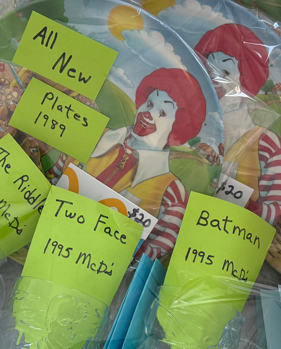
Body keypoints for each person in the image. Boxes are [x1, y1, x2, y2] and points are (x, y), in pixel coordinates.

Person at [85, 68, 207, 259]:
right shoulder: (94, 137)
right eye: (149, 104)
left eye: (162, 113)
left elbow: (159, 246)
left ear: (177, 130)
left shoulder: (171, 191)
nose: (149, 114)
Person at [194, 23, 281, 224]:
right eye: (209, 71)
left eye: (225, 72)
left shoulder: (268, 146)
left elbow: (276, 208)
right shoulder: (191, 135)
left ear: (246, 80)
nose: (215, 80)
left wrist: (241, 207)